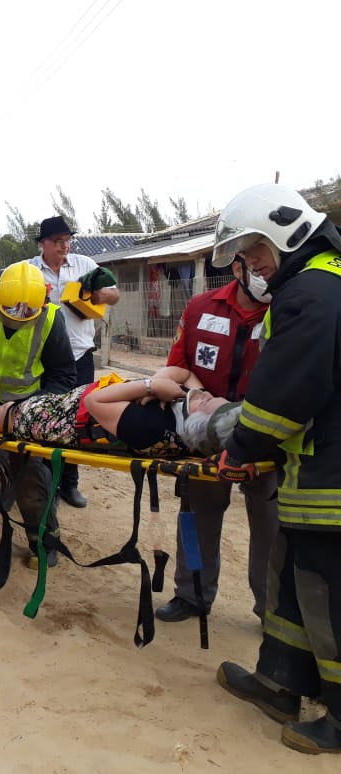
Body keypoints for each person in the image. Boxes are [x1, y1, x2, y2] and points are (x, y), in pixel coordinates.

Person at [209, 183, 341, 755]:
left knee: (328, 595)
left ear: (285, 230)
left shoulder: (313, 292)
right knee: (288, 575)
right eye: (243, 254)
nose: (251, 264)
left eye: (255, 249)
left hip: (331, 474)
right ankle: (280, 682)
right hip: (310, 467)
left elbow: (286, 389)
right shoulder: (315, 281)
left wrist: (239, 448)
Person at [156, 256, 280, 624]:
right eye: (253, 262)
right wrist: (199, 399)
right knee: (195, 519)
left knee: (270, 526)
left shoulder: (289, 309)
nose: (262, 272)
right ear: (237, 267)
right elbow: (177, 365)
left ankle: (273, 611)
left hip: (264, 437)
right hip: (204, 437)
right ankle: (192, 595)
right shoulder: (200, 307)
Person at [0, 260, 77, 568]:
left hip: (23, 413)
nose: (19, 319)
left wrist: (26, 410)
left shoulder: (52, 320)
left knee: (32, 481)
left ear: (43, 300)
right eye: (11, 312)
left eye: (28, 313)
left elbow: (63, 377)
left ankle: (44, 543)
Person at [29, 215, 121, 509]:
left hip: (80, 356)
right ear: (43, 243)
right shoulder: (29, 270)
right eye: (58, 241)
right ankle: (47, 488)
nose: (64, 246)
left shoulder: (86, 266)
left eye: (68, 240)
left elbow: (114, 293)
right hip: (43, 358)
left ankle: (70, 484)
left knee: (77, 420)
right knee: (45, 419)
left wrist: (98, 293)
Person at [0, 366, 240, 458]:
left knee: (0, 418)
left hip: (67, 421)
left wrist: (152, 386)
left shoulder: (149, 426)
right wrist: (165, 381)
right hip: (75, 405)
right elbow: (185, 373)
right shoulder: (194, 411)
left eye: (205, 401)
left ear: (193, 422)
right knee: (4, 409)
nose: (202, 394)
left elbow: (97, 403)